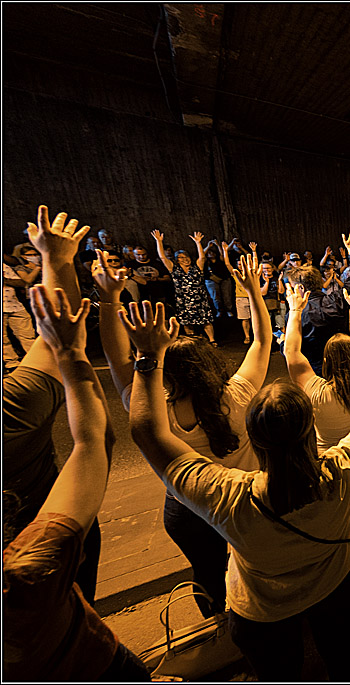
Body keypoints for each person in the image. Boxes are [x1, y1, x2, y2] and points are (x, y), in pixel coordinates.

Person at [122, 292, 350, 681]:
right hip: (333, 585)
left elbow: (146, 431)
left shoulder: (228, 496)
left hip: (265, 611)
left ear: (254, 436)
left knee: (279, 669)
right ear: (308, 431)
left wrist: (148, 357)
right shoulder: (343, 467)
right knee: (339, 647)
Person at [95, 252, 273, 617]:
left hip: (187, 509)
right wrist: (254, 292)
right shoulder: (236, 396)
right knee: (253, 562)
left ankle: (217, 623)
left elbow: (117, 360)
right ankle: (256, 616)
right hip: (242, 499)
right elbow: (261, 341)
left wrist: (110, 299)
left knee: (206, 572)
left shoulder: (151, 408)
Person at [4, 284, 149, 680]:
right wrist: (72, 353)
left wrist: (112, 306)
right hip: (97, 662)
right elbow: (92, 443)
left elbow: (123, 372)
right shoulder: (30, 566)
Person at [3, 206, 103, 605]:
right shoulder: (14, 408)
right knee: (76, 613)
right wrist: (57, 260)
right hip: (54, 538)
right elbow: (94, 442)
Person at [283, 282, 350, 575]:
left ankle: (344, 560)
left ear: (325, 361)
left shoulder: (316, 391)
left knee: (338, 511)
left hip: (329, 461)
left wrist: (294, 311)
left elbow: (291, 352)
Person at [294, 229, 350, 375]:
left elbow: (291, 349)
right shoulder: (335, 301)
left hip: (315, 372)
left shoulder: (296, 315)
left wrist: (281, 342)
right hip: (344, 367)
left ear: (300, 287)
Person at [152, 229, 216, 345]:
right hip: (183, 300)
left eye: (186, 257)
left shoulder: (196, 268)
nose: (185, 259)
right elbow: (163, 257)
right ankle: (192, 341)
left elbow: (202, 258)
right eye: (181, 257)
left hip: (199, 299)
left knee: (206, 321)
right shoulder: (174, 270)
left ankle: (212, 340)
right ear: (177, 260)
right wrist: (159, 242)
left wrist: (198, 243)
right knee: (187, 322)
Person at [3, 251, 38, 372]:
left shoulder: (4, 266)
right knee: (3, 339)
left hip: (14, 304)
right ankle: (11, 363)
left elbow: (21, 282)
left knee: (27, 334)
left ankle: (35, 360)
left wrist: (5, 280)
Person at [204, 244, 235, 319]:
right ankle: (219, 310)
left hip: (224, 279)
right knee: (215, 297)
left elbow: (222, 254)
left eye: (213, 252)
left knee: (227, 295)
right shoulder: (206, 262)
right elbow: (201, 254)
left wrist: (217, 244)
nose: (211, 254)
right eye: (209, 253)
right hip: (211, 280)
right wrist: (208, 246)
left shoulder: (220, 260)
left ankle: (228, 310)